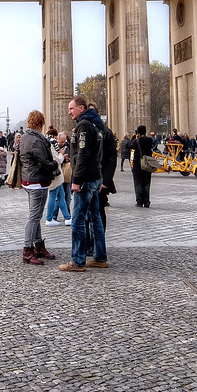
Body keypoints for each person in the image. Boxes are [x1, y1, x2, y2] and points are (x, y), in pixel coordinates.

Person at [59, 95, 109, 272]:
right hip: (95, 176)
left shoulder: (84, 126)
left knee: (78, 220)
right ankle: (100, 257)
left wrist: (76, 180)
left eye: (71, 108)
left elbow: (83, 155)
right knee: (95, 218)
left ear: (81, 108)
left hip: (86, 179)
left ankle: (78, 260)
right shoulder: (96, 125)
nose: (69, 111)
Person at [18, 110, 60, 265]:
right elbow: (43, 163)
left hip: (28, 180)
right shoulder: (36, 140)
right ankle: (27, 249)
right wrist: (56, 163)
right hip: (37, 181)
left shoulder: (24, 137)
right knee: (34, 217)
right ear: (40, 124)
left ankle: (38, 245)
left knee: (34, 215)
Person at [131, 125, 154, 208]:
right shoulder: (149, 140)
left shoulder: (136, 141)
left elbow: (130, 146)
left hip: (138, 164)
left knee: (138, 183)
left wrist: (135, 137)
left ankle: (139, 201)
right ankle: (147, 201)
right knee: (147, 184)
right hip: (147, 164)